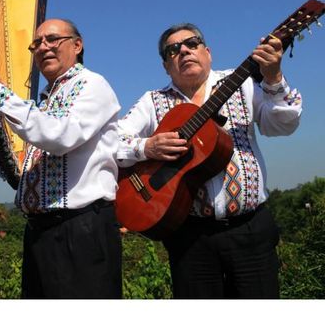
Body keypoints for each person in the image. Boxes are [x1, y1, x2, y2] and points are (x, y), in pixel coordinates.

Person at [117, 22, 302, 299]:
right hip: (189, 237)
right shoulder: (152, 101)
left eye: (192, 43)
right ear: (166, 66)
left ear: (208, 52)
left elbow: (283, 125)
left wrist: (273, 77)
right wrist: (147, 146)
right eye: (173, 50)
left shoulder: (241, 84)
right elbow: (112, 142)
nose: (184, 51)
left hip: (249, 229)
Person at [0, 18, 122, 299]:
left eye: (52, 39)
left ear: (78, 45)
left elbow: (60, 137)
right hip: (41, 233)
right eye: (37, 43)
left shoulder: (92, 85)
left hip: (80, 230)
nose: (43, 47)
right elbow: (21, 174)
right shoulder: (44, 101)